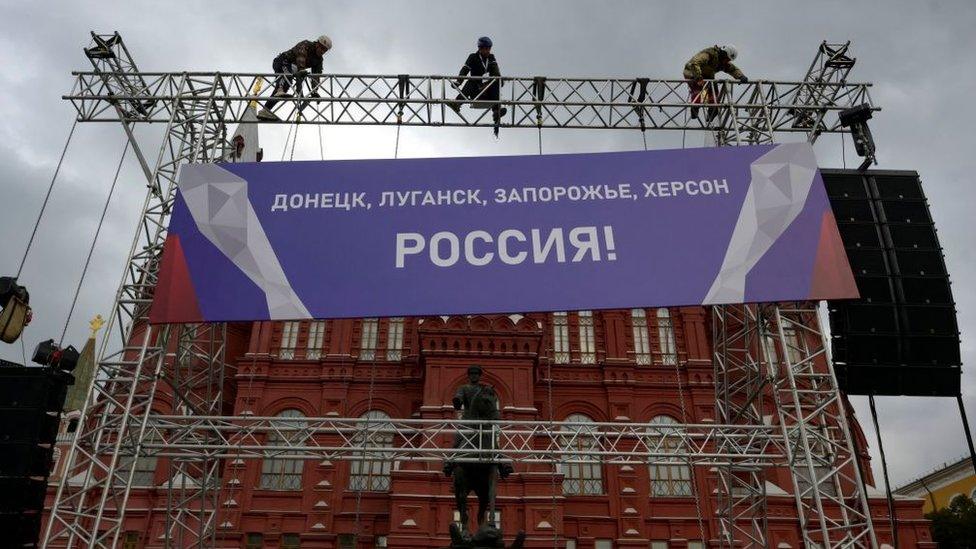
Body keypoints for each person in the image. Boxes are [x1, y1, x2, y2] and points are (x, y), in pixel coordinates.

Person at [257, 35, 332, 121]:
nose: (322, 51)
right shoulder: (306, 45)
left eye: (325, 50)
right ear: (317, 44)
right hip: (283, 61)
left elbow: (316, 75)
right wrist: (301, 71)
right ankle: (279, 89)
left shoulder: (318, 60)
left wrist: (314, 91)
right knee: (286, 79)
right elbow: (301, 57)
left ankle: (265, 110)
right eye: (321, 48)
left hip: (293, 68)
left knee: (286, 87)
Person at [683, 44, 748, 119]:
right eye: (727, 59)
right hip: (692, 72)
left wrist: (741, 76)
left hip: (707, 75)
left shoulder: (722, 62)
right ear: (724, 54)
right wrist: (698, 77)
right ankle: (695, 108)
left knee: (713, 90)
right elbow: (694, 63)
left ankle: (712, 110)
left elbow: (732, 69)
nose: (726, 61)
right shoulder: (709, 54)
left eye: (728, 60)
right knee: (697, 89)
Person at [450, 36, 507, 122]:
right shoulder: (473, 57)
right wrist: (458, 81)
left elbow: (496, 73)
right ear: (480, 48)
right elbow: (465, 69)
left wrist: (496, 81)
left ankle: (497, 111)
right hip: (476, 91)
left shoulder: (491, 58)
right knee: (471, 81)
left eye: (489, 49)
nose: (487, 51)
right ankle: (457, 103)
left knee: (497, 81)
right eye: (485, 49)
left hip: (488, 91)